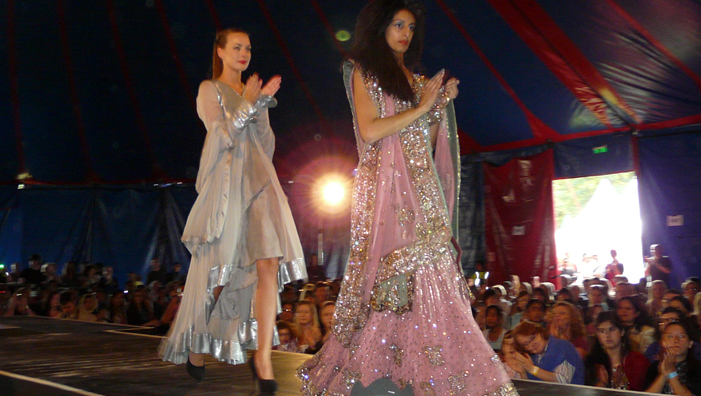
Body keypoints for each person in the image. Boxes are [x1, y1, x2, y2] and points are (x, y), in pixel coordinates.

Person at [297, 2, 517, 395]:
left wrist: (437, 110)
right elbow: (369, 131)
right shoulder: (362, 71)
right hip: (384, 192)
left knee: (432, 274)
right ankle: (374, 370)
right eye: (398, 24)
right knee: (388, 277)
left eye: (411, 27)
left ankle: (423, 373)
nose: (405, 33)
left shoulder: (415, 80)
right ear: (380, 26)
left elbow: (422, 142)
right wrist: (422, 107)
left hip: (421, 191)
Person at [158, 27, 307, 394]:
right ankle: (196, 340)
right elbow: (219, 136)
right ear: (220, 51)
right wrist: (250, 105)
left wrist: (260, 108)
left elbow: (267, 145)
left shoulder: (251, 93)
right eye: (237, 47)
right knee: (219, 274)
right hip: (228, 188)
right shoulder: (209, 90)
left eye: (249, 48)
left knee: (267, 262)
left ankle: (263, 357)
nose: (244, 53)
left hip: (261, 183)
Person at [644, 320, 701, 395]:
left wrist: (672, 374)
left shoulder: (700, 368)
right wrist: (663, 374)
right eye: (670, 336)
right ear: (662, 342)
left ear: (690, 343)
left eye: (682, 336)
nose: (676, 340)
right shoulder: (654, 367)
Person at [585, 311, 650, 391]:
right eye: (602, 331)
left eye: (612, 330)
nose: (607, 335)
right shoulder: (593, 362)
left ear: (622, 332)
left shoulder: (636, 360)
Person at [511, 321, 585, 384]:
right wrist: (523, 372)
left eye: (533, 338)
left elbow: (563, 380)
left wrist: (531, 369)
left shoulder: (562, 346)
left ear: (540, 333)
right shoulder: (533, 357)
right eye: (526, 344)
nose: (532, 344)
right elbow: (530, 389)